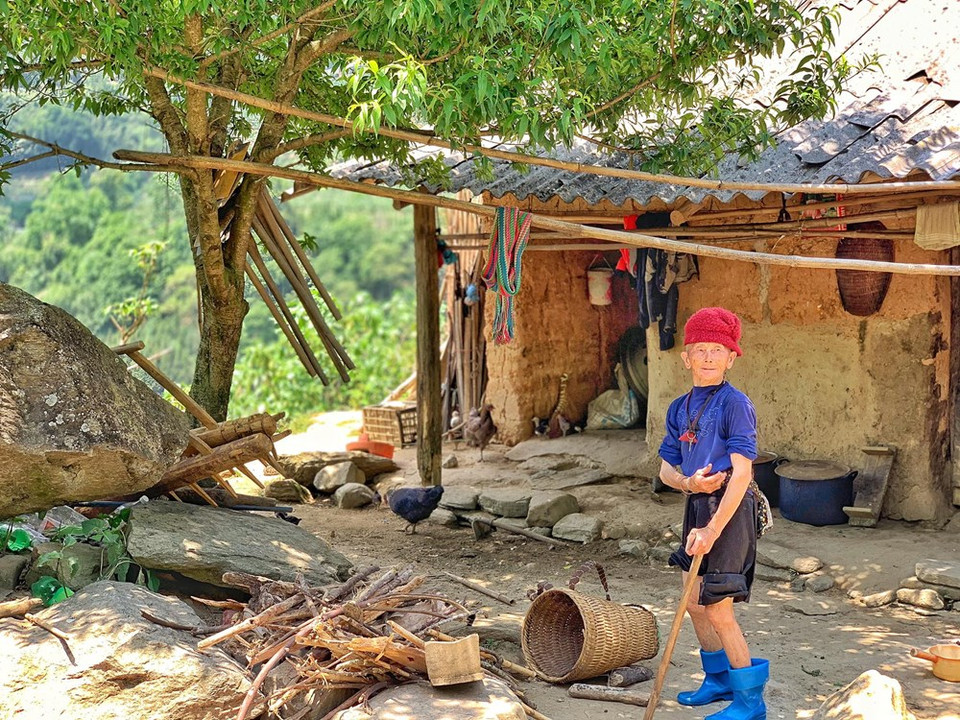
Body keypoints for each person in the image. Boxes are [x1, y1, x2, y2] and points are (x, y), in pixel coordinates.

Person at [658, 307, 769, 720]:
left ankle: (750, 703)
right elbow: (666, 469)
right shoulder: (678, 408)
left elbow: (742, 473)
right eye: (700, 349)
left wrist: (711, 530)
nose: (708, 357)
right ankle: (719, 680)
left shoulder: (735, 404)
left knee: (718, 607)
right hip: (697, 503)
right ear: (685, 357)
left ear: (731, 358)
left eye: (717, 350)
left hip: (730, 510)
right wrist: (690, 484)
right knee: (692, 602)